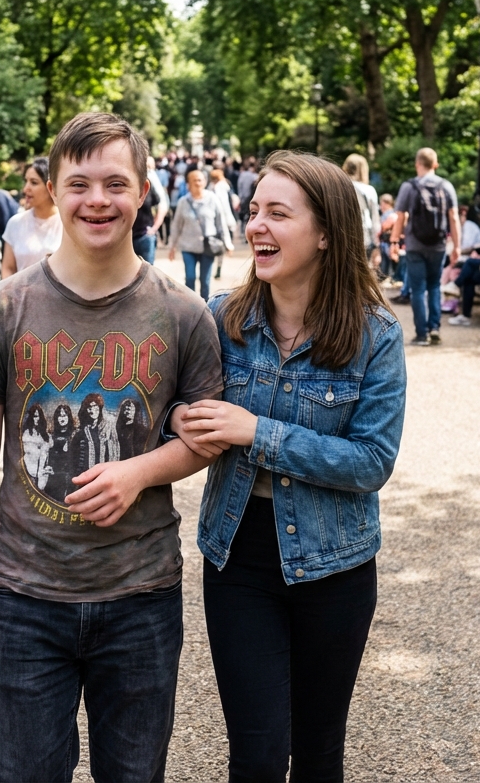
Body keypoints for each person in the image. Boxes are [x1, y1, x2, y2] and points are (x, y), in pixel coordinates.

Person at [0, 111, 223, 783]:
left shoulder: (183, 314)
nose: (97, 200)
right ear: (53, 188)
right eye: (79, 184)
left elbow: (204, 439)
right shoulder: (3, 307)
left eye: (114, 183)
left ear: (143, 189)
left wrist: (140, 472)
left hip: (141, 594)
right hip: (25, 593)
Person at [171, 150, 406, 781]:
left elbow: (372, 462)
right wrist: (183, 420)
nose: (256, 227)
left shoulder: (374, 335)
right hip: (239, 557)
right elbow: (177, 405)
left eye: (279, 213)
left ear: (327, 231)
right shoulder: (224, 318)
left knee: (319, 751)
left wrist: (258, 432)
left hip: (337, 565)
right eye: (254, 211)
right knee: (257, 753)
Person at [389, 148, 460, 346]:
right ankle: (435, 327)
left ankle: (422, 334)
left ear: (417, 164)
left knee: (418, 289)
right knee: (435, 286)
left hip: (414, 245)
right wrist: (457, 247)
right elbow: (453, 217)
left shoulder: (409, 187)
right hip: (438, 245)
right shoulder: (446, 186)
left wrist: (394, 242)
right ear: (435, 164)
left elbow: (400, 216)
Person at [168, 168, 234, 300]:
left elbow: (220, 222)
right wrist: (172, 246)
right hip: (188, 246)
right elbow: (176, 226)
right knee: (190, 278)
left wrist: (228, 243)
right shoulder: (183, 202)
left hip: (208, 247)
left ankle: (205, 308)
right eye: (194, 180)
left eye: (200, 180)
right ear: (189, 184)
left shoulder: (213, 199)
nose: (198, 183)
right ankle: (191, 306)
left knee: (205, 281)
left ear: (204, 182)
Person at [1, 157, 62, 276]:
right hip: (20, 293)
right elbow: (8, 268)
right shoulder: (15, 223)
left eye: (34, 182)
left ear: (50, 186)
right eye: (26, 181)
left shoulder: (68, 223)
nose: (25, 189)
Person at [343, 153, 380, 264]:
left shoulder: (338, 187)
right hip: (363, 238)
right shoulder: (368, 190)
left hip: (342, 236)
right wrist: (377, 245)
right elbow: (375, 220)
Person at [132, 156, 169, 263]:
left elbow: (162, 205)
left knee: (146, 273)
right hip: (126, 238)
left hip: (144, 235)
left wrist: (154, 228)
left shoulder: (151, 180)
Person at [208, 167, 238, 280]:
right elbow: (225, 207)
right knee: (220, 245)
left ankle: (216, 268)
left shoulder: (213, 188)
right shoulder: (225, 187)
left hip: (214, 220)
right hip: (224, 219)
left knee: (215, 245)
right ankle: (219, 267)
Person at [378, 193, 398, 282]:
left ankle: (388, 279)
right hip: (388, 242)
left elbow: (383, 227)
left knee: (387, 263)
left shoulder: (388, 214)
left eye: (381, 204)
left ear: (386, 203)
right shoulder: (393, 212)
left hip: (387, 242)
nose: (380, 206)